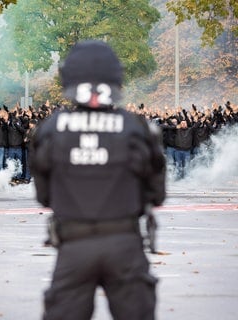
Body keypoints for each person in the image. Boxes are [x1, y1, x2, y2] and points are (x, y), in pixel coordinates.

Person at [30, 40, 166, 320]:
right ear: (116, 78)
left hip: (73, 246)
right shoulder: (136, 128)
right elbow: (157, 192)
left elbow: (43, 195)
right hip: (125, 245)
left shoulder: (51, 128)